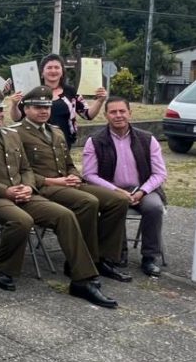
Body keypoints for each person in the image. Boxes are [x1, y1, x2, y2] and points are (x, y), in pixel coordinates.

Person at [0, 89, 117, 308]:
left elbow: (25, 167)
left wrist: (28, 186)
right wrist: (6, 191)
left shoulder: (11, 135)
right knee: (22, 220)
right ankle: (4, 269)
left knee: (64, 215)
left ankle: (83, 279)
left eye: (0, 110)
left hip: (22, 192)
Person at [12, 86, 132, 282]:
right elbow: (19, 171)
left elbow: (68, 163)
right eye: (37, 107)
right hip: (44, 187)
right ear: (26, 109)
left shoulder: (57, 132)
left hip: (68, 183)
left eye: (47, 107)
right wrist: (52, 181)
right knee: (88, 202)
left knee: (118, 200)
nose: (43, 111)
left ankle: (104, 257)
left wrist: (74, 175)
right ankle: (84, 261)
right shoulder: (16, 134)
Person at [82, 97, 168, 277]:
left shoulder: (147, 139)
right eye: (113, 112)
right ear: (106, 115)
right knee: (117, 203)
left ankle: (150, 257)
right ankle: (118, 253)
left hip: (143, 188)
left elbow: (160, 174)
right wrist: (116, 191)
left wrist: (143, 191)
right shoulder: (95, 141)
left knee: (154, 207)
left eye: (122, 111)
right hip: (111, 190)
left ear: (130, 113)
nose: (118, 115)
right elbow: (89, 175)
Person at [10, 54, 106, 148]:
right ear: (42, 72)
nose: (53, 71)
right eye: (49, 68)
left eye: (57, 67)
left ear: (62, 71)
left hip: (64, 143)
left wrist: (100, 101)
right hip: (35, 144)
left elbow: (88, 115)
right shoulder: (32, 92)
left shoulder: (71, 92)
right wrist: (14, 104)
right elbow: (17, 117)